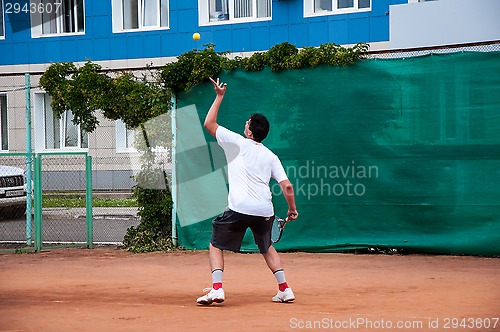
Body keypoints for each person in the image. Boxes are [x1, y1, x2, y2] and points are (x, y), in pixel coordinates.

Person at [196, 77, 299, 305]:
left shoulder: (237, 143)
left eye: (247, 123)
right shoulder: (271, 156)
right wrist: (292, 209)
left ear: (251, 132)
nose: (245, 125)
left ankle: (217, 289)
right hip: (264, 210)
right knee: (267, 247)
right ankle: (285, 289)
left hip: (240, 207)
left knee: (214, 244)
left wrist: (219, 96)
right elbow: (287, 186)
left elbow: (209, 124)